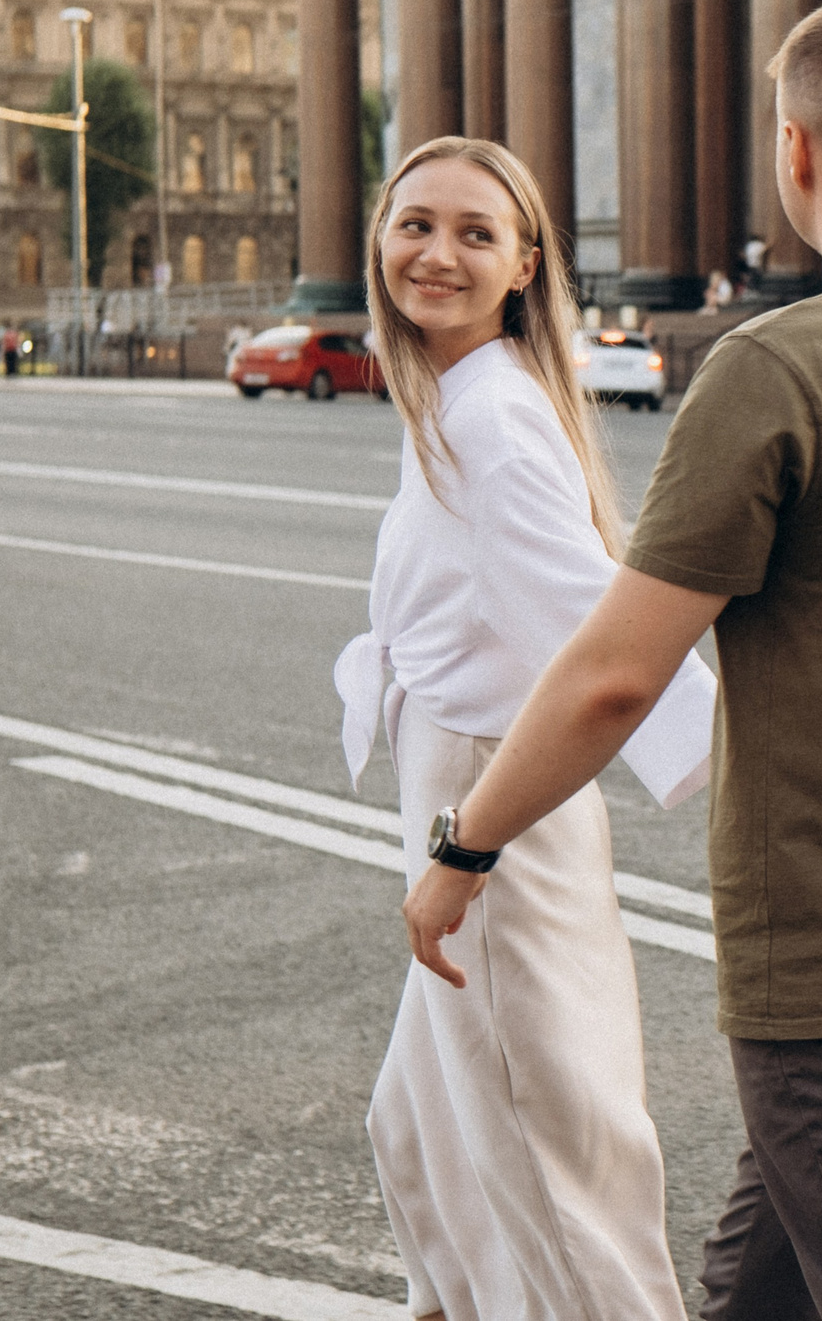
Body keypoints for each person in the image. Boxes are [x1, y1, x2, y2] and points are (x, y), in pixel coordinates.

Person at [402, 0, 822, 1321]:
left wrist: (465, 846)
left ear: (794, 155)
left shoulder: (778, 366)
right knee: (758, 1297)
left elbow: (615, 667)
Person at [335, 135, 719, 1321]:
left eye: (473, 232)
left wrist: (464, 854)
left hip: (496, 832)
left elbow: (610, 655)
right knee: (424, 1133)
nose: (435, 253)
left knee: (556, 1176)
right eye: (415, 223)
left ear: (523, 264)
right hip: (475, 815)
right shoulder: (456, 400)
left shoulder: (492, 420)